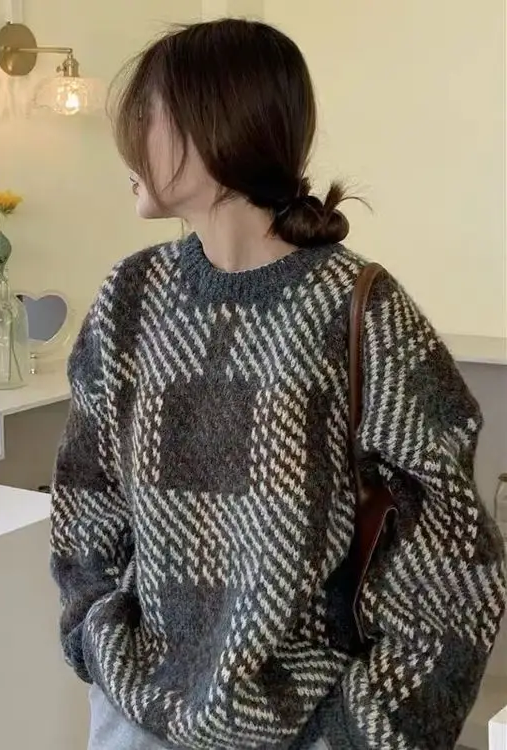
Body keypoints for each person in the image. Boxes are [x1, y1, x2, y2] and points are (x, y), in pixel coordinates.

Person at [50, 19, 506, 750]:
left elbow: (452, 561)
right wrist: (97, 638)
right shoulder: (129, 299)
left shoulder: (360, 310)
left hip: (304, 728)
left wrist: (363, 731)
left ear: (217, 127)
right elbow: (86, 499)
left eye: (146, 115)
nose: (125, 142)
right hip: (134, 718)